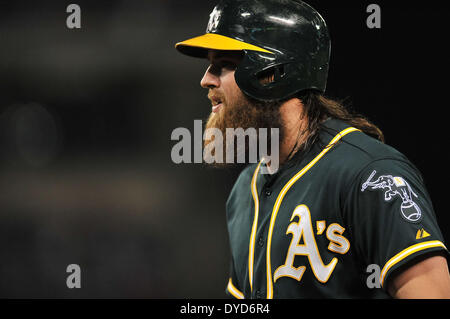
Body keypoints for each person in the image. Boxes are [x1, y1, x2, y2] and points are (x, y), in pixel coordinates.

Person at [175, 0, 450, 298]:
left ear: (272, 72)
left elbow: (429, 290)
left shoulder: (368, 173)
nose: (206, 79)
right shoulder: (245, 191)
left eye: (225, 64)